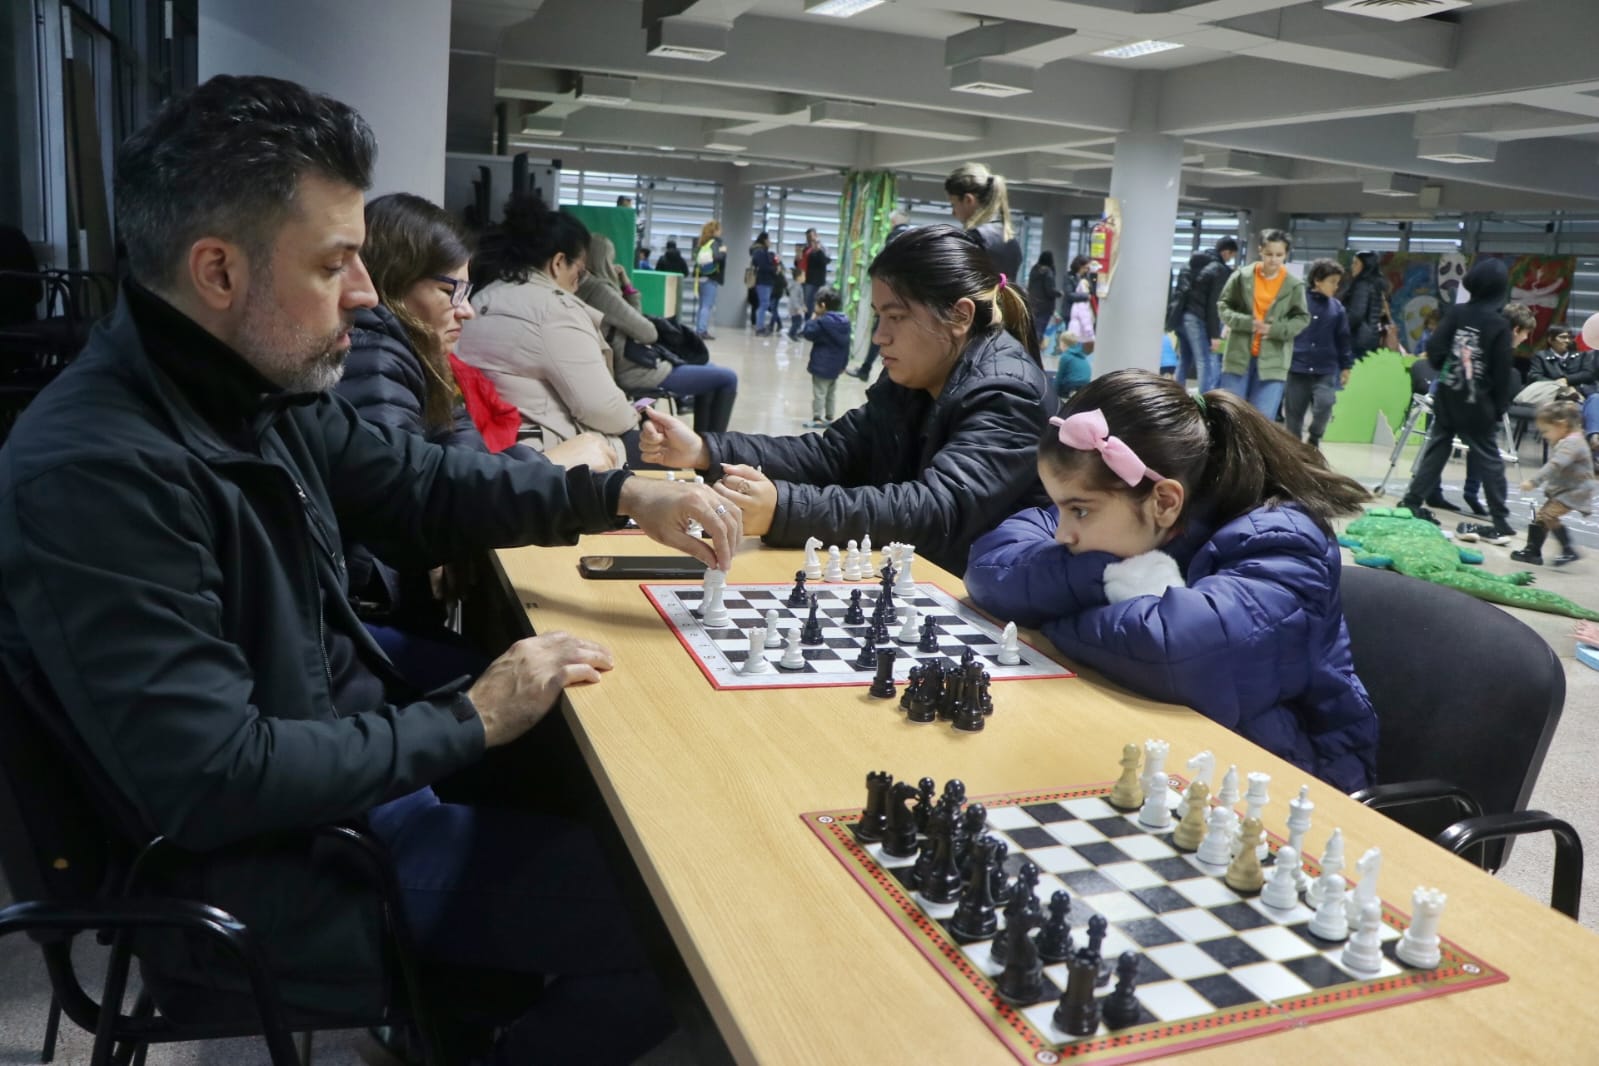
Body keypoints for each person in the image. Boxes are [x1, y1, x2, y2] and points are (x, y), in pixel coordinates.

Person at [0, 73, 744, 1064]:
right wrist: (470, 716)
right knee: (690, 925)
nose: (365, 292)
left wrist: (612, 495)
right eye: (336, 261)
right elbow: (215, 779)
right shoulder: (96, 469)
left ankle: (477, 1008)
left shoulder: (241, 381)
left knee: (606, 779)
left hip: (334, 778)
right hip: (283, 869)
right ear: (218, 271)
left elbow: (421, 486)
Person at [964, 371, 1377, 792]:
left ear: (1164, 501)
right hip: (1170, 749)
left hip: (1287, 780)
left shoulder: (1283, 540)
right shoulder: (1127, 506)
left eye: (1080, 511)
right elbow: (991, 564)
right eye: (1060, 508)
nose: (1062, 533)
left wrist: (1051, 621)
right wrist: (1108, 580)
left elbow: (1175, 651)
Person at [637, 224, 1054, 577]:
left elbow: (937, 510)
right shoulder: (917, 376)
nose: (879, 337)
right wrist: (706, 449)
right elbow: (831, 452)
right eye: (878, 316)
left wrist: (783, 509)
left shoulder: (1008, 391)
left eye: (896, 316)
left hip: (973, 601)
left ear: (960, 317)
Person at [459, 195, 650, 468]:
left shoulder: (482, 296)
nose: (580, 281)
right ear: (559, 262)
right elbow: (602, 409)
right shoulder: (554, 310)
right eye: (579, 271)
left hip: (487, 445)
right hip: (543, 452)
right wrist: (634, 415)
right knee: (664, 450)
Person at [1399, 260, 1520, 542]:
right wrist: (1499, 404)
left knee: (1438, 447)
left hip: (1448, 395)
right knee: (1488, 457)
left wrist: (1448, 370)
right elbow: (1502, 371)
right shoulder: (1500, 324)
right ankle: (1500, 520)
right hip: (1479, 403)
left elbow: (1435, 349)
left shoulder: (1457, 313)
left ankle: (1412, 501)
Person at [578, 233, 740, 435]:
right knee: (728, 378)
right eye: (610, 260)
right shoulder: (601, 292)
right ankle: (712, 451)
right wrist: (624, 288)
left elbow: (632, 317)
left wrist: (627, 287)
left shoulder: (586, 290)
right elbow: (648, 333)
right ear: (603, 259)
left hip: (629, 368)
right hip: (638, 373)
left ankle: (705, 447)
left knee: (711, 371)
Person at [1216, 228, 1309, 418]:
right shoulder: (1241, 277)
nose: (1273, 259)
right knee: (1230, 415)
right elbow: (1223, 306)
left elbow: (1302, 318)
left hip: (1274, 360)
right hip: (1238, 356)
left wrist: (1275, 329)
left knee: (1262, 420)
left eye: (1279, 255)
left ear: (1286, 254)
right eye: (1269, 254)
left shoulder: (1294, 285)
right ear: (1260, 251)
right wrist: (1246, 323)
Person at [1510, 400, 1595, 567]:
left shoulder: (1572, 443)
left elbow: (1555, 465)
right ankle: (1532, 551)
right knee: (1543, 517)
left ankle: (1568, 549)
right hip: (1568, 488)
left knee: (1549, 515)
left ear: (1561, 425)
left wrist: (1534, 482)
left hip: (1575, 491)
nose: (1544, 435)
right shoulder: (1569, 439)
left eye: (1546, 431)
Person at [1282, 259, 1353, 448]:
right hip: (1297, 367)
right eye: (1332, 281)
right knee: (1294, 415)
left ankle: (1314, 438)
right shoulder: (1297, 303)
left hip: (1325, 370)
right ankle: (1294, 451)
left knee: (1325, 405)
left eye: (1338, 282)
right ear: (1317, 280)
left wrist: (1346, 366)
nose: (1336, 287)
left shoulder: (1337, 308)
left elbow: (1343, 339)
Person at [851, 210, 913, 381]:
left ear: (894, 221)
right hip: (903, 297)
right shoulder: (912, 238)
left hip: (892, 296)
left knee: (881, 333)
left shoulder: (896, 238)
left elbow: (886, 267)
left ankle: (871, 371)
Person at [1172, 238, 1237, 392]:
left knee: (1185, 359)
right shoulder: (1218, 269)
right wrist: (1214, 335)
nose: (1230, 259)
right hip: (1196, 318)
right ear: (1226, 252)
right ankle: (1205, 402)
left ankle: (1175, 397)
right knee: (1204, 360)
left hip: (1180, 317)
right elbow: (1213, 304)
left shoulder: (1191, 263)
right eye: (1232, 255)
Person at [944, 161, 1023, 279]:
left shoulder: (974, 238)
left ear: (968, 200)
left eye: (953, 204)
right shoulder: (1010, 239)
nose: (953, 213)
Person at [801, 287, 850, 428]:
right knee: (831, 393)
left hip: (821, 365)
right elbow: (846, 346)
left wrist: (812, 319)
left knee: (819, 392)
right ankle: (830, 417)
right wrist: (843, 364)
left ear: (822, 305)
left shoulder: (822, 323)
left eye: (816, 304)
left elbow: (808, 333)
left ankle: (817, 418)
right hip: (836, 366)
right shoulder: (845, 322)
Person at [1339, 250, 1387, 362]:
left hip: (1358, 338)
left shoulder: (1362, 284)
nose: (1352, 267)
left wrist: (1341, 328)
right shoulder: (1376, 284)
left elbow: (1356, 314)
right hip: (1371, 337)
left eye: (1356, 263)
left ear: (1366, 265)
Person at [692, 220, 726, 339]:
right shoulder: (715, 243)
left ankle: (699, 329)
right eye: (719, 229)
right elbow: (717, 257)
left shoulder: (701, 242)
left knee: (702, 305)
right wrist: (723, 252)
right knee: (707, 305)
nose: (721, 232)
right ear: (715, 231)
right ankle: (702, 331)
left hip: (700, 276)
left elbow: (695, 258)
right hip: (711, 277)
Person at [1027, 251, 1061, 346]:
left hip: (1032, 303)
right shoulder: (1048, 272)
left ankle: (1029, 348)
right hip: (1045, 306)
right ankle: (1035, 351)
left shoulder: (1034, 270)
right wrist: (1059, 293)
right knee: (1040, 329)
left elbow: (1029, 287)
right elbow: (1049, 290)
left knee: (1032, 329)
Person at [750, 230, 781, 336]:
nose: (770, 241)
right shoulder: (760, 252)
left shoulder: (760, 251)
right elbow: (763, 266)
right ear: (764, 240)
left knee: (764, 304)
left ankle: (760, 326)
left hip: (765, 281)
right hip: (764, 281)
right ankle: (760, 328)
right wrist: (774, 269)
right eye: (769, 239)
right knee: (764, 304)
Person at [1052, 327, 1091, 400]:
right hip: (1085, 384)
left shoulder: (1066, 356)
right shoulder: (1081, 354)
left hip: (1072, 385)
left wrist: (1053, 393)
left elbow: (1059, 376)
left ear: (1063, 343)